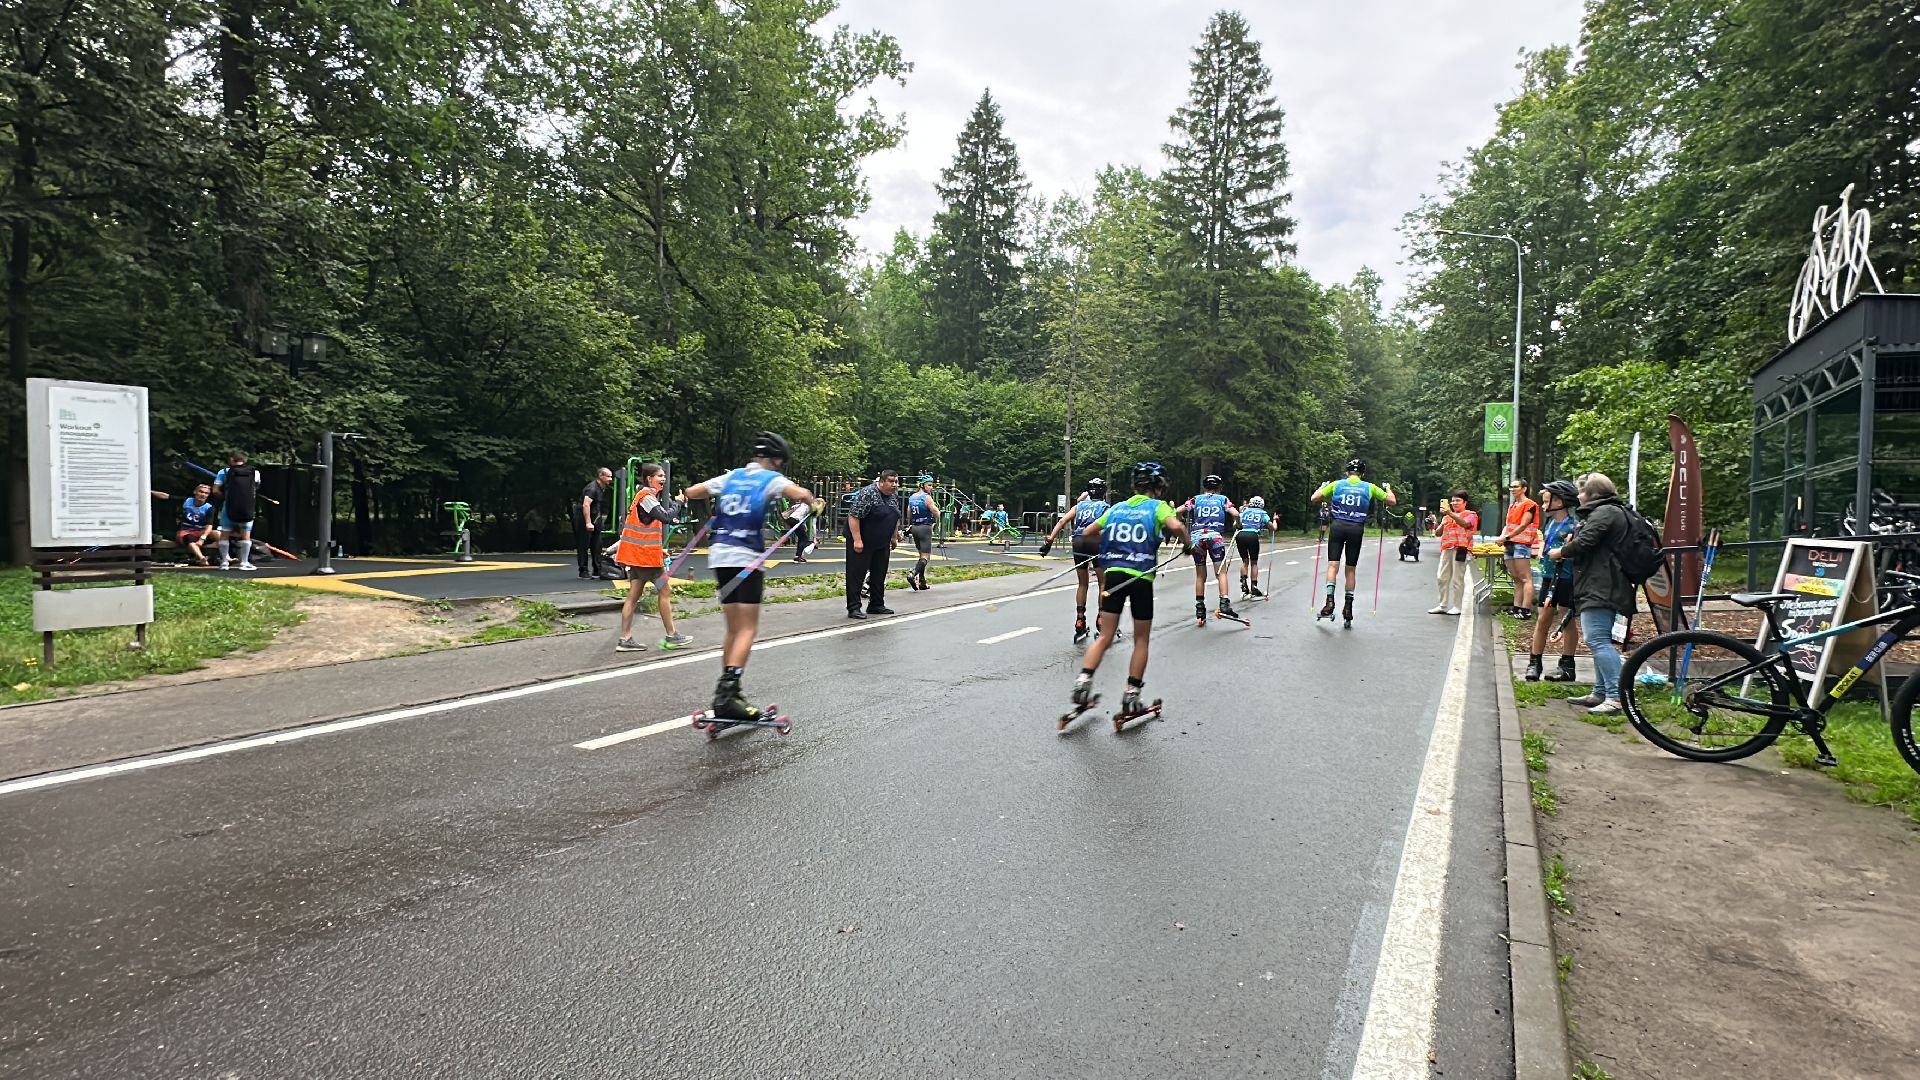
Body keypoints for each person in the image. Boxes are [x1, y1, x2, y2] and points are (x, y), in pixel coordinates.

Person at [683, 432, 815, 721]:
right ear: (777, 460)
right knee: (747, 629)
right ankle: (728, 693)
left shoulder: (732, 477)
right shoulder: (771, 479)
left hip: (720, 554)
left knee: (733, 628)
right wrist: (810, 500)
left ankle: (729, 692)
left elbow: (694, 491)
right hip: (747, 558)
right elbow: (800, 495)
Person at [1072, 462, 1190, 717]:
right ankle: (1131, 694)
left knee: (1105, 636)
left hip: (1114, 575)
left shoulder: (1116, 508)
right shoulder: (1157, 507)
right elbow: (1178, 527)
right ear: (1158, 487)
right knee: (1141, 639)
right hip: (1141, 578)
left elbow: (1088, 532)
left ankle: (1083, 683)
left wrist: (1105, 544)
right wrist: (1189, 545)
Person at [1549, 472, 1637, 716]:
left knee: (1597, 640)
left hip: (1602, 585)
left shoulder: (1605, 512)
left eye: (1582, 491)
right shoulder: (1609, 512)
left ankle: (1616, 697)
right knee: (1599, 640)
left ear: (1592, 494)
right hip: (1600, 582)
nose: (1578, 495)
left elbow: (1585, 542)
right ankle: (1600, 691)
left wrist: (1561, 551)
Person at [613, 463, 692, 653]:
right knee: (665, 591)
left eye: (664, 476)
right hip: (645, 558)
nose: (663, 479)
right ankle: (671, 635)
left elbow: (653, 520)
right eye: (660, 476)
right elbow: (664, 516)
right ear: (649, 479)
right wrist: (678, 503)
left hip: (639, 555)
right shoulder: (646, 497)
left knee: (633, 596)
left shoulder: (644, 496)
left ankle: (625, 638)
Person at [1311, 459, 1396, 624]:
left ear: (1346, 472)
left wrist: (1322, 487)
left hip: (1338, 526)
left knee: (1332, 565)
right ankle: (1348, 607)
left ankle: (1329, 601)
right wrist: (1388, 488)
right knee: (1350, 569)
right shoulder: (1369, 487)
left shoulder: (1336, 484)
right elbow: (1391, 501)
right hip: (1356, 528)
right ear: (1362, 474)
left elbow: (1314, 498)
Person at [1039, 477, 1113, 643]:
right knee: (1103, 583)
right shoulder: (1106, 507)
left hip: (1078, 541)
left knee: (1083, 583)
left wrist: (1049, 541)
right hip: (1095, 541)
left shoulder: (1079, 506)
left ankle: (1080, 620)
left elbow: (1062, 520)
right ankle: (1102, 619)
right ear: (1103, 492)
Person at [1524, 480, 1584, 682]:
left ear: (1559, 502)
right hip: (1550, 577)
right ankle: (1534, 662)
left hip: (1566, 578)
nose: (1542, 505)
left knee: (1566, 619)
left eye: (1546, 501)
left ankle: (1567, 664)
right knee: (1542, 619)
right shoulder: (1551, 523)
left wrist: (1557, 554)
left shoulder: (1573, 525)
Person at [1180, 474, 1240, 624]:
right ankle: (1224, 603)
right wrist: (1237, 524)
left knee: (1200, 575)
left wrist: (1180, 521)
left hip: (1197, 538)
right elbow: (1236, 513)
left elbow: (1179, 510)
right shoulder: (1222, 499)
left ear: (1204, 487)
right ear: (1219, 487)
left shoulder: (1196, 499)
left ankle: (1200, 608)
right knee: (1221, 572)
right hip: (1215, 537)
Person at [845, 469, 903, 619]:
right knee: (856, 574)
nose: (894, 484)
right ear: (882, 482)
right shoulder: (868, 493)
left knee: (879, 573)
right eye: (891, 481)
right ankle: (854, 607)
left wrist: (894, 537)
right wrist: (857, 540)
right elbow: (853, 516)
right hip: (863, 539)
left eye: (896, 481)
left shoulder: (893, 495)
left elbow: (895, 516)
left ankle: (876, 604)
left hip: (882, 540)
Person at [1498, 478, 1542, 619]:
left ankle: (1526, 609)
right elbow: (1508, 524)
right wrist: (1502, 536)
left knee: (1525, 578)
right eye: (1511, 487)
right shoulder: (1513, 506)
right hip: (1510, 544)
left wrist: (1505, 537)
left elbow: (1523, 525)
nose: (1512, 489)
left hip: (1521, 544)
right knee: (1516, 578)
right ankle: (1517, 608)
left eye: (1516, 487)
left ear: (1524, 489)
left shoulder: (1530, 505)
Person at [1430, 489, 1478, 615]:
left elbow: (1466, 524)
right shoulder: (1447, 516)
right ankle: (1443, 604)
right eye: (1453, 501)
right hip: (1447, 549)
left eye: (1458, 501)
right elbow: (1437, 533)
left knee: (1457, 579)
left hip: (1461, 549)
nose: (1455, 503)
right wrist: (1442, 523)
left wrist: (1450, 514)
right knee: (1441, 577)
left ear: (1465, 502)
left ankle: (1457, 606)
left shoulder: (1471, 514)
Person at [212, 452, 261, 571]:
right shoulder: (255, 472)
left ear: (231, 459)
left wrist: (227, 497)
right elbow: (256, 488)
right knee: (246, 535)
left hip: (228, 508)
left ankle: (224, 562)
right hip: (247, 508)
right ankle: (244, 563)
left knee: (225, 534)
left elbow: (215, 491)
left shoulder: (223, 472)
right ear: (245, 460)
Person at [576, 466, 615, 580]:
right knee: (584, 544)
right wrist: (588, 522)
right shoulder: (592, 488)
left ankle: (597, 569)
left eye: (611, 477)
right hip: (584, 518)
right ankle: (583, 570)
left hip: (595, 518)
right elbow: (586, 504)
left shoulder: (601, 488)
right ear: (600, 476)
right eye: (608, 476)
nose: (610, 479)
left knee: (597, 544)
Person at [904, 477, 940, 590]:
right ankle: (913, 574)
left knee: (921, 555)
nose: (931, 487)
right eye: (929, 485)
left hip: (915, 527)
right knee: (925, 557)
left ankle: (922, 582)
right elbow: (936, 512)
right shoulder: (927, 497)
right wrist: (936, 520)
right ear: (922, 485)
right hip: (925, 527)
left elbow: (908, 514)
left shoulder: (912, 497)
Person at [1235, 495, 1272, 597]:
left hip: (1241, 535)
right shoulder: (1262, 513)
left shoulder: (1245, 512)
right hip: (1252, 536)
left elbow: (1236, 524)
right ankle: (1254, 586)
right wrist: (1276, 521)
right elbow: (1272, 527)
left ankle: (1243, 579)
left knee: (1245, 560)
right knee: (1254, 562)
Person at [177, 483, 217, 566]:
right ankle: (202, 558)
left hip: (202, 532)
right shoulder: (187, 501)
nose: (203, 495)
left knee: (218, 533)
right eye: (201, 492)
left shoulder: (209, 507)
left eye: (206, 493)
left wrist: (202, 538)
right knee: (190, 541)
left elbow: (209, 525)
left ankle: (226, 557)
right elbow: (167, 497)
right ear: (195, 492)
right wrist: (148, 492)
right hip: (187, 532)